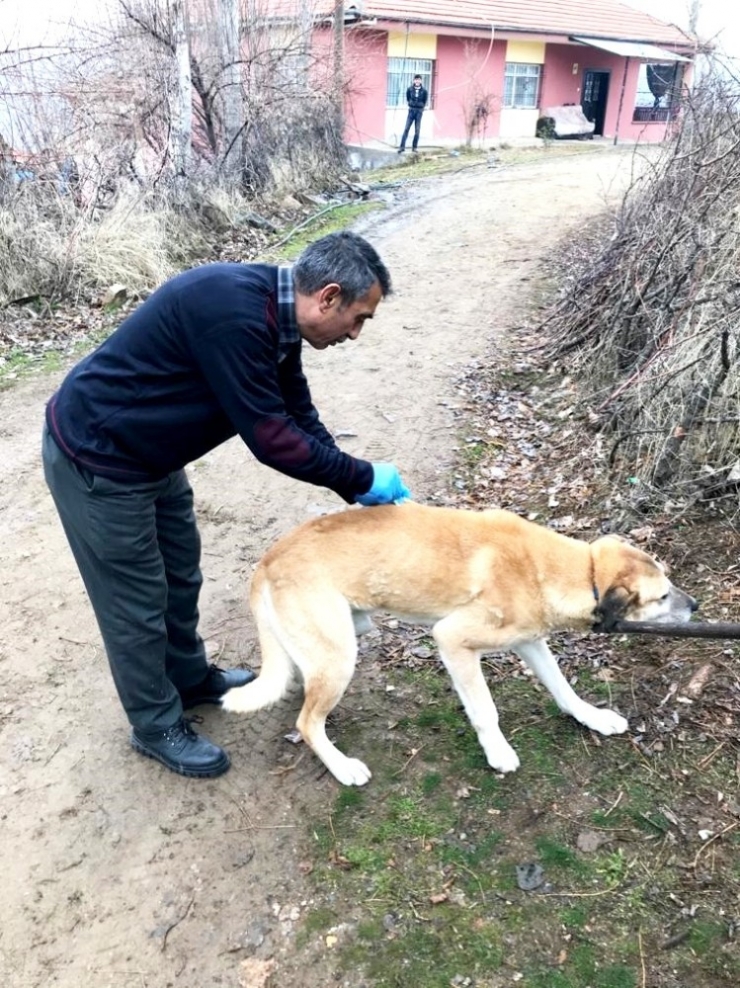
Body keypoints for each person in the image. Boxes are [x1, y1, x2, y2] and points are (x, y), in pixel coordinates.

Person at [42, 231, 411, 779]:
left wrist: (351, 482)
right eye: (358, 318)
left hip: (153, 457)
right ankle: (155, 723)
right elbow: (271, 438)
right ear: (328, 297)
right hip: (99, 460)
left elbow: (295, 413)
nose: (355, 334)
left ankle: (189, 680)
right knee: (135, 603)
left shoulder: (279, 316)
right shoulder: (233, 315)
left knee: (180, 575)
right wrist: (359, 475)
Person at [398, 74, 428, 153]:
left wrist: (421, 108)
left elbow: (425, 101)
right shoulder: (409, 89)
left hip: (419, 112)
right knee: (406, 128)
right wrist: (411, 104)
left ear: (421, 81)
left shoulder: (424, 91)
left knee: (417, 130)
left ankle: (414, 147)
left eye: (419, 79)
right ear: (414, 81)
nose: (417, 81)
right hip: (411, 111)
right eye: (416, 79)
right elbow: (408, 98)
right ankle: (402, 147)